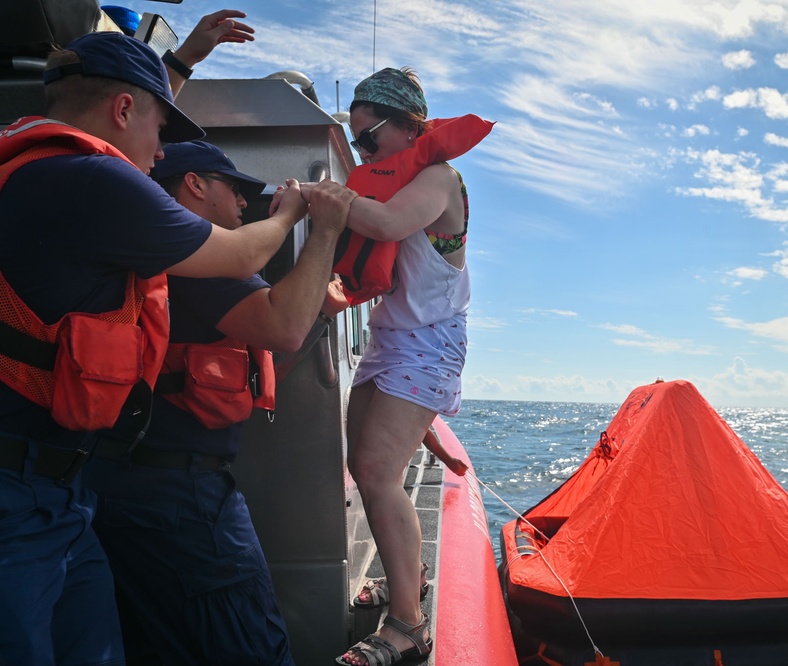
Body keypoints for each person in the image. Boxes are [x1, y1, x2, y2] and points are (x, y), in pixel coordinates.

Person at [0, 30, 320, 665]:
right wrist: (295, 215)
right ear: (122, 111)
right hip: (21, 496)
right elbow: (245, 258)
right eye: (157, 129)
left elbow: (132, 117)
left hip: (62, 487)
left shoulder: (40, 169)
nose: (158, 154)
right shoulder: (90, 179)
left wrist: (179, 62)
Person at [82, 140, 355, 665]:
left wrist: (317, 315)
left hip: (130, 487)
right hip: (183, 501)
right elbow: (282, 326)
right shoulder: (195, 262)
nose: (243, 206)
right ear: (194, 185)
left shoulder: (151, 257)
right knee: (250, 645)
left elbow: (255, 366)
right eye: (234, 190)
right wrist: (325, 228)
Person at [336, 67, 477, 666]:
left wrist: (321, 198)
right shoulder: (383, 181)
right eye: (356, 142)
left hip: (430, 343)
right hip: (388, 341)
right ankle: (407, 579)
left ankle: (407, 627)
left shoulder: (440, 179)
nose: (362, 153)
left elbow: (391, 225)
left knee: (374, 468)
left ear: (409, 126)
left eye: (370, 140)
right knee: (361, 464)